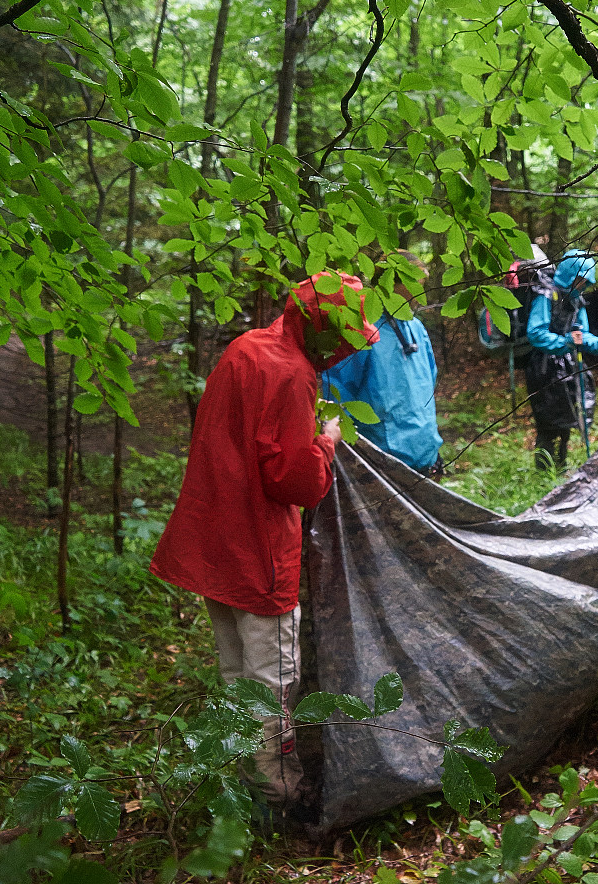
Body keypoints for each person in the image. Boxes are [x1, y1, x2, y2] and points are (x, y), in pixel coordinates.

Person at [149, 273, 378, 818]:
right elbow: (295, 482)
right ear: (329, 334)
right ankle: (277, 796)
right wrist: (325, 442)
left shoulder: (246, 348)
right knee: (273, 681)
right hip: (256, 548)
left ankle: (240, 786)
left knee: (236, 676)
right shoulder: (293, 375)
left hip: (214, 540)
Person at [321, 258, 444, 474]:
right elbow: (338, 395)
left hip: (425, 455)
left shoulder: (416, 328)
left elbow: (428, 383)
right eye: (416, 286)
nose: (420, 297)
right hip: (382, 464)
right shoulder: (360, 331)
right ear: (391, 284)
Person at [525, 249, 598, 470]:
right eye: (579, 280)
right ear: (570, 275)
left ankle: (561, 467)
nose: (582, 285)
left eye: (585, 281)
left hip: (569, 366)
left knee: (568, 418)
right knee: (548, 422)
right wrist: (565, 341)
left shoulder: (576, 301)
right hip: (543, 368)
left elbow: (581, 335)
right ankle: (543, 472)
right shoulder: (545, 296)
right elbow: (535, 333)